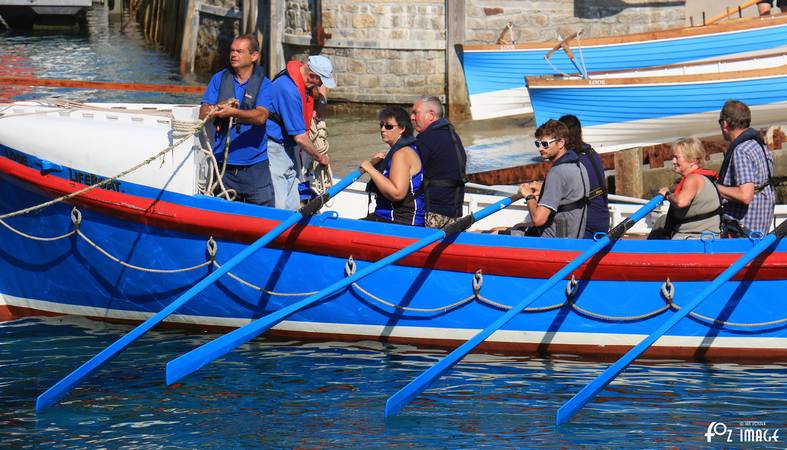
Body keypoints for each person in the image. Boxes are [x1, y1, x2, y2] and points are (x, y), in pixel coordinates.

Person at [200, 34, 274, 206]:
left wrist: (234, 112)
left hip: (254, 169)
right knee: (220, 219)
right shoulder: (219, 79)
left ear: (254, 56)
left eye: (239, 51)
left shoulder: (265, 85)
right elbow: (203, 113)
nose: (234, 55)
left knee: (263, 220)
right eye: (232, 51)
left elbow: (261, 116)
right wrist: (219, 108)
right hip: (223, 167)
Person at [263, 55, 334, 210]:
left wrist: (321, 102)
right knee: (279, 204)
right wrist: (320, 157)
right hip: (274, 147)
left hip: (289, 148)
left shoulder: (305, 77)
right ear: (312, 76)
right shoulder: (289, 90)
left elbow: (321, 88)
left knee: (293, 203)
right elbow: (301, 138)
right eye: (320, 81)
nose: (321, 85)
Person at [514, 119, 589, 238]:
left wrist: (529, 196)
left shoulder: (557, 173)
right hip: (574, 235)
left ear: (560, 143)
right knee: (511, 228)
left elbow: (538, 220)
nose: (540, 149)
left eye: (545, 144)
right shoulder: (579, 165)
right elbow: (566, 197)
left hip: (554, 242)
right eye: (537, 144)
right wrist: (543, 190)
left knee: (495, 232)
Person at [716, 99, 775, 235]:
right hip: (760, 224)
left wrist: (714, 187)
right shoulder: (758, 143)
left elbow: (745, 195)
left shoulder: (741, 151)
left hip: (742, 231)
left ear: (724, 124)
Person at [360, 106, 425, 226]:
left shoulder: (401, 154)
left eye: (388, 126)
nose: (383, 130)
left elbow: (397, 193)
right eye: (381, 125)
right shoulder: (407, 149)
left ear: (402, 129)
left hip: (400, 223)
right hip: (388, 217)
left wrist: (370, 169)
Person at [411, 96, 467, 228]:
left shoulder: (426, 139)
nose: (412, 117)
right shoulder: (452, 134)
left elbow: (408, 174)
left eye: (416, 113)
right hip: (455, 214)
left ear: (431, 115)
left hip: (433, 215)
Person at [649, 137, 721, 240]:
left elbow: (681, 202)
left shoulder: (693, 178)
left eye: (676, 157)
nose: (673, 161)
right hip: (706, 235)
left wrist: (667, 195)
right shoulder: (703, 177)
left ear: (692, 160)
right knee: (661, 221)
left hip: (694, 239)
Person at [559, 114, 610, 238]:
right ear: (580, 132)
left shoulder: (572, 161)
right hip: (603, 219)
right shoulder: (593, 153)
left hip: (585, 222)